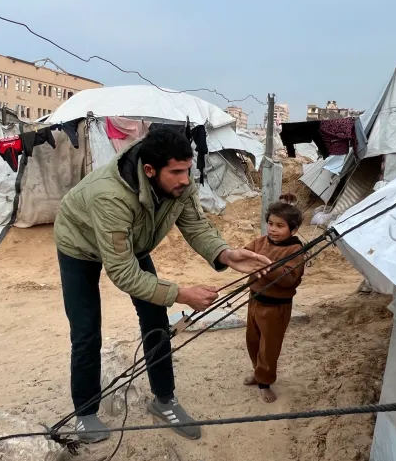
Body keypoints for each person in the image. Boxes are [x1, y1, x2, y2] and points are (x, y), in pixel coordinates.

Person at [54, 128, 271, 442]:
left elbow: (196, 225)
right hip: (79, 244)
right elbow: (123, 272)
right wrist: (180, 294)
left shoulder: (181, 184)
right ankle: (86, 413)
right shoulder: (110, 196)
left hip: (133, 242)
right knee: (86, 330)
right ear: (149, 170)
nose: (185, 179)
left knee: (155, 319)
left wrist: (225, 253)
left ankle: (164, 400)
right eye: (177, 172)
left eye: (188, 170)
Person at [242, 194, 305, 403]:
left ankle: (265, 382)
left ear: (293, 230)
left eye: (280, 226)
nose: (273, 229)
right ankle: (258, 372)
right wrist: (241, 256)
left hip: (275, 308)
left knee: (268, 346)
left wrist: (265, 266)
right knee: (252, 341)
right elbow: (245, 253)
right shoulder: (261, 242)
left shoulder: (294, 250)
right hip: (254, 300)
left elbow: (289, 279)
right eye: (270, 223)